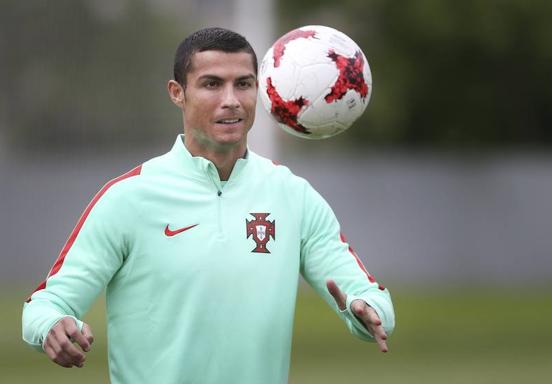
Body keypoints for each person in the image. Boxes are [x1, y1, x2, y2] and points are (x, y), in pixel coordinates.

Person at [22, 27, 395, 383]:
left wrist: (366, 311)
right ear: (177, 92)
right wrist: (51, 327)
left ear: (259, 91)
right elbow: (44, 305)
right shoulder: (128, 198)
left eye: (243, 84)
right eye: (212, 84)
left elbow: (371, 298)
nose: (231, 100)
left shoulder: (293, 196)